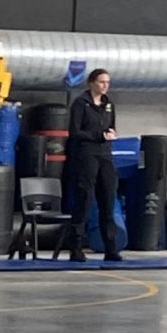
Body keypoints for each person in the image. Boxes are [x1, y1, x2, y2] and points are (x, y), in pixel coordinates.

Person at [63, 67, 123, 264]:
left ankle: (111, 248)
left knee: (108, 200)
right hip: (86, 155)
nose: (105, 86)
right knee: (84, 200)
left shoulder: (109, 104)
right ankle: (76, 248)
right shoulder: (81, 103)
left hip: (105, 156)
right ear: (92, 83)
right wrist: (99, 136)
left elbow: (111, 126)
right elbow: (75, 132)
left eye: (107, 82)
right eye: (101, 82)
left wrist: (111, 134)